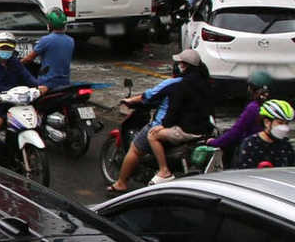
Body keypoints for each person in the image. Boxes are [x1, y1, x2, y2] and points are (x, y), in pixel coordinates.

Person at [107, 49, 212, 190]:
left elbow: (150, 97)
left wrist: (130, 101)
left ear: (184, 66)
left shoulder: (176, 84)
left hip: (177, 126)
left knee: (136, 148)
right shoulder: (203, 83)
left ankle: (121, 183)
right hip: (201, 128)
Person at [0, 32, 41, 164]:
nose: (6, 51)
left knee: (33, 120)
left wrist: (39, 87)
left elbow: (27, 77)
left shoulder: (15, 63)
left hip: (14, 100)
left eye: (8, 48)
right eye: (3, 48)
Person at [208, 70, 272, 166]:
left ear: (251, 89)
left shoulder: (253, 108)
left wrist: (214, 142)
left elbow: (235, 132)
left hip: (251, 154)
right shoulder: (271, 106)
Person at [23, 9, 74, 92]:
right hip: (65, 82)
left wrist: (18, 63)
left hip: (47, 83)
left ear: (50, 25)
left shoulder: (46, 40)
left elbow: (29, 58)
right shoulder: (71, 40)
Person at [235, 100, 295, 169]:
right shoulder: (250, 144)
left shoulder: (285, 144)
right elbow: (242, 173)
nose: (284, 127)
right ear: (267, 122)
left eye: (286, 123)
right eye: (280, 123)